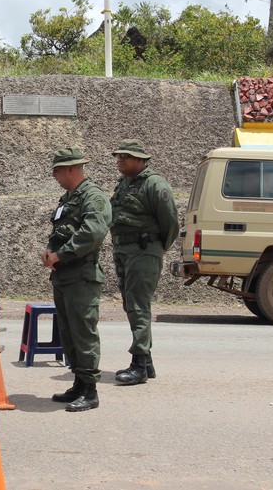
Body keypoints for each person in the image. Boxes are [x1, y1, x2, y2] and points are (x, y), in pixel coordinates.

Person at [42, 148, 111, 412]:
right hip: (64, 276)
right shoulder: (67, 198)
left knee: (83, 333)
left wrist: (60, 255)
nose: (54, 175)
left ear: (71, 169)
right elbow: (59, 230)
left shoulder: (93, 198)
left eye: (57, 170)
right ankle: (79, 383)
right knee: (68, 333)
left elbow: (91, 234)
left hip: (82, 276)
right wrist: (50, 250)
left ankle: (90, 391)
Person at [109, 139, 179, 386]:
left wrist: (155, 249)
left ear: (140, 159)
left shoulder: (154, 184)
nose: (119, 160)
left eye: (125, 156)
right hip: (124, 252)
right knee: (131, 306)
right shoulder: (124, 183)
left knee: (138, 307)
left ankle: (138, 364)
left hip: (143, 252)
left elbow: (170, 222)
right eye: (118, 156)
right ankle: (146, 362)